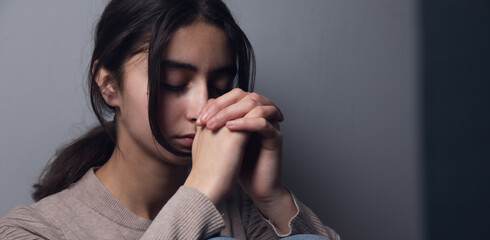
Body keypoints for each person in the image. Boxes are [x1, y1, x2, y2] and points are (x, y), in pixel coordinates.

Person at [0, 0, 340, 239]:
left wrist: (273, 199)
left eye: (220, 86)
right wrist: (200, 195)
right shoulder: (35, 231)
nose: (202, 107)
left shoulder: (247, 214)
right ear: (108, 84)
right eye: (173, 84)